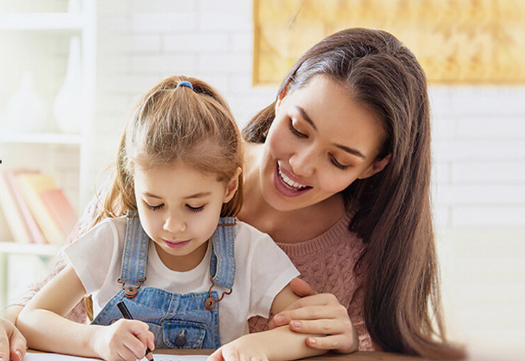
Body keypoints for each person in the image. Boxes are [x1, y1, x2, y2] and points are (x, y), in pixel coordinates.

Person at [2, 28, 465, 360]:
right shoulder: (171, 160)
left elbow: (367, 344)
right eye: (298, 129)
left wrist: (339, 343)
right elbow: (36, 303)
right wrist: (10, 323)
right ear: (283, 95)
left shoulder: (355, 248)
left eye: (339, 160)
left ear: (375, 165)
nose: (301, 165)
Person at [15, 76, 325, 361]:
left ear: (229, 187)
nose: (172, 226)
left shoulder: (249, 251)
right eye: (153, 204)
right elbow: (32, 319)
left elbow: (311, 331)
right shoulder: (112, 242)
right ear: (135, 187)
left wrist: (259, 345)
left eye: (194, 207)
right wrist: (96, 340)